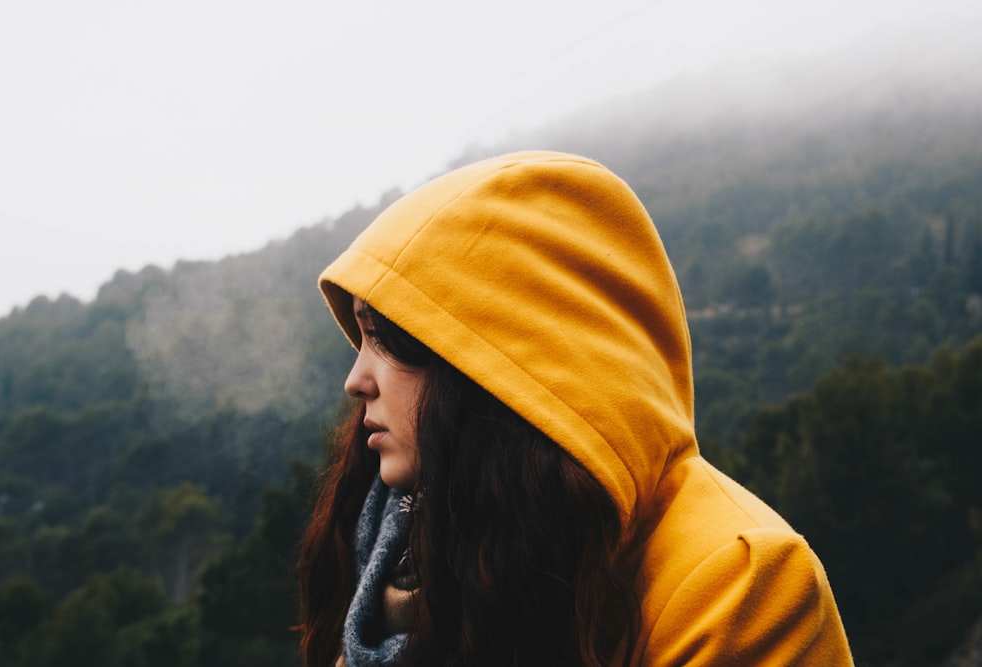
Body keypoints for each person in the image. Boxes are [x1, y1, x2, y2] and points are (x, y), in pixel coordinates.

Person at [297, 151, 854, 666]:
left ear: (507, 365)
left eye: (388, 339)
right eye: (361, 338)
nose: (356, 380)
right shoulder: (402, 558)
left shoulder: (739, 581)